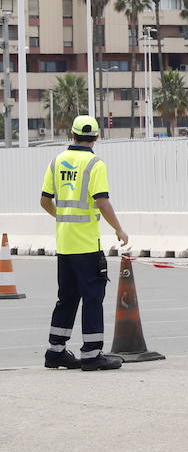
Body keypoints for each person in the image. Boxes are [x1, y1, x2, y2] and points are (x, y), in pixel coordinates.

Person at [38, 115, 130, 370]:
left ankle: (55, 351)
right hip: (87, 245)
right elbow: (102, 201)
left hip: (65, 244)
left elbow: (45, 201)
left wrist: (63, 217)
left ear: (72, 134)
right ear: (97, 137)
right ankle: (91, 354)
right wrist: (119, 229)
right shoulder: (95, 164)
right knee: (92, 298)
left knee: (66, 298)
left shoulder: (56, 162)